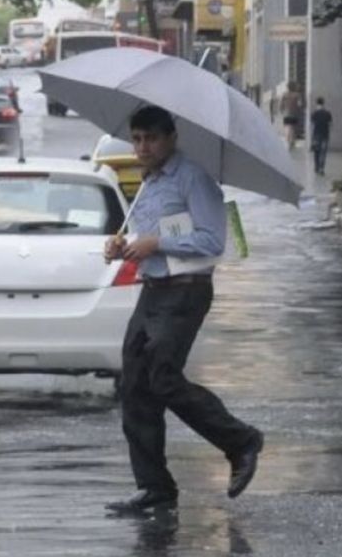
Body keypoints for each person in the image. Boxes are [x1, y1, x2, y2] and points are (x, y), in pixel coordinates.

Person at [102, 105, 264, 516]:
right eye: (137, 139)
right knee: (135, 386)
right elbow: (146, 237)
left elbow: (211, 240)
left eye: (152, 139)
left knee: (163, 377)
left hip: (186, 291)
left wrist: (155, 243)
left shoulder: (192, 177)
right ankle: (154, 486)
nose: (143, 147)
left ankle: (241, 440)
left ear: (171, 138)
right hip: (153, 289)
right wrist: (123, 246)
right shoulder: (148, 182)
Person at [310, 98, 332, 175]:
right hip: (325, 135)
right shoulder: (328, 113)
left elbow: (312, 125)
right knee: (323, 152)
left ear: (317, 103)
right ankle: (321, 168)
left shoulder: (314, 113)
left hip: (316, 135)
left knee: (316, 152)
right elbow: (330, 124)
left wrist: (312, 137)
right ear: (323, 103)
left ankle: (316, 167)